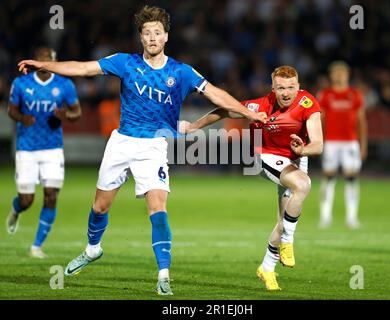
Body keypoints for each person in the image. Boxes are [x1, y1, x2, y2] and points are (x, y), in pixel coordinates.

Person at [17, 6, 266, 295]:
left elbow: (215, 94)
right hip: (122, 142)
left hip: (154, 146)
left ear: (166, 37)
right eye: (147, 33)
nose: (152, 37)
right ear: (141, 37)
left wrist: (246, 112)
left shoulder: (180, 71)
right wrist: (45, 65)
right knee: (100, 206)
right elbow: (84, 68)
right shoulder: (125, 63)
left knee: (157, 207)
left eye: (157, 33)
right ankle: (92, 249)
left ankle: (163, 274)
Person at [180, 65, 323, 290]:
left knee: (284, 219)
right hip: (265, 156)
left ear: (298, 86)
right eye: (281, 88)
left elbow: (318, 144)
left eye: (291, 88)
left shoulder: (308, 103)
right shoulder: (259, 105)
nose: (286, 93)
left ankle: (267, 267)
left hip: (296, 159)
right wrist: (195, 126)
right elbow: (225, 110)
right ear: (272, 88)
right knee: (303, 184)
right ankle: (288, 241)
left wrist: (303, 150)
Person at [6, 47, 82, 258]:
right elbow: (11, 110)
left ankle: (37, 246)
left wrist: (66, 114)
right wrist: (22, 118)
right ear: (35, 61)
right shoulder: (21, 83)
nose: (45, 61)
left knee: (51, 196)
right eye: (42, 58)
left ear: (55, 61)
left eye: (50, 58)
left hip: (52, 149)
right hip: (27, 148)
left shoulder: (64, 84)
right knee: (27, 200)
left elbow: (77, 112)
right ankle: (16, 210)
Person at [318, 61, 367, 229]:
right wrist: (318, 141)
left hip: (350, 143)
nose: (339, 75)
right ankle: (325, 217)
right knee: (328, 178)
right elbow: (320, 120)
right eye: (336, 72)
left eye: (342, 72)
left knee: (351, 179)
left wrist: (363, 145)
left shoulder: (355, 95)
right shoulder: (325, 95)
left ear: (347, 75)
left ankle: (352, 218)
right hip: (331, 143)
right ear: (331, 75)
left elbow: (361, 122)